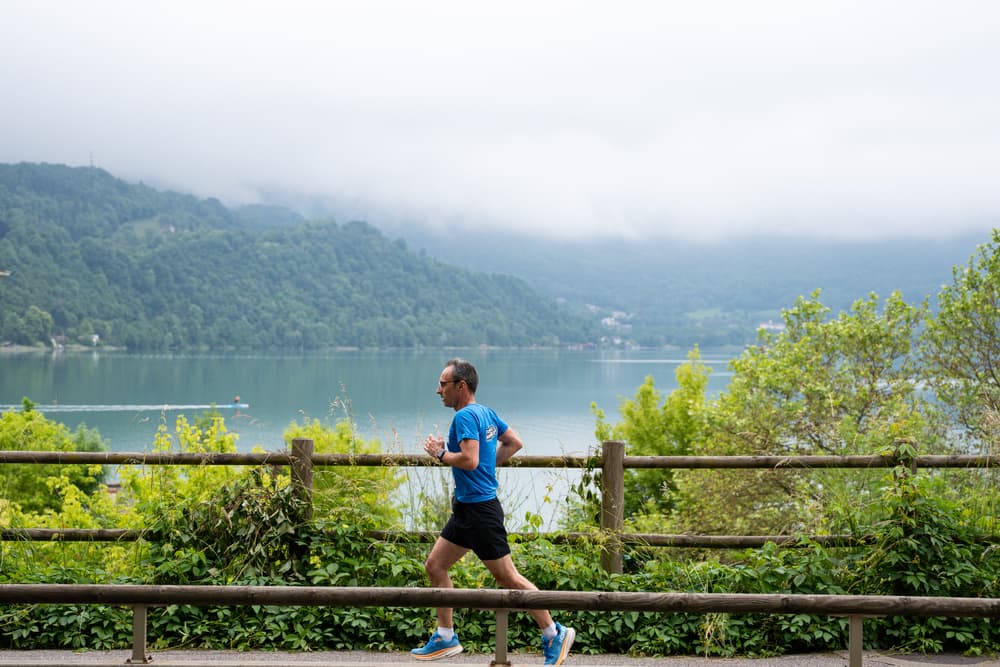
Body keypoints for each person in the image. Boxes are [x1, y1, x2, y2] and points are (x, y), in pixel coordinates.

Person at [411, 358, 575, 665]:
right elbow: (514, 442)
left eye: (443, 384)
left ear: (461, 386)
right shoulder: (485, 413)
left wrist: (441, 453)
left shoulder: (464, 416)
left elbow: (469, 460)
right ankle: (445, 637)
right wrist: (487, 465)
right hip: (466, 509)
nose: (438, 390)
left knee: (509, 578)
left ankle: (554, 633)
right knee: (435, 566)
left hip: (480, 513)